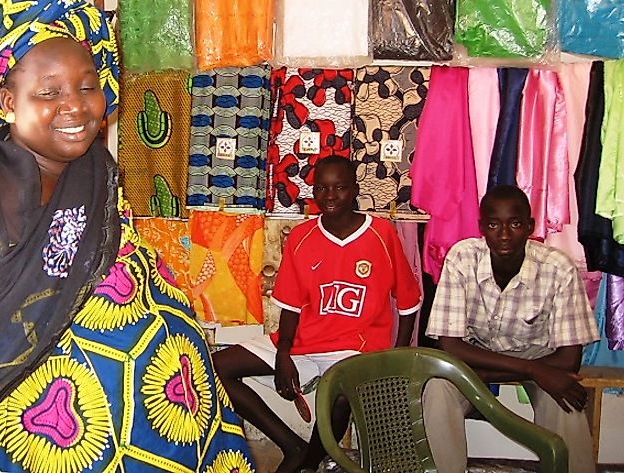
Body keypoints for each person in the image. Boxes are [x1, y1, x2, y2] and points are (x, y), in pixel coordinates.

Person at [0, 0, 255, 473]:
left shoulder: (89, 166)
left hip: (165, 406)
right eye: (49, 92)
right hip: (65, 436)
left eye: (87, 86)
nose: (76, 106)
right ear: (9, 103)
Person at [213, 155, 422, 473]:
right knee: (215, 369)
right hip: (304, 340)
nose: (330, 196)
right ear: (313, 192)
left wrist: (397, 357)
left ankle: (308, 463)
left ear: (354, 190)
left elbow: (408, 302)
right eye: (322, 188)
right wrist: (284, 352)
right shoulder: (301, 236)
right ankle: (291, 446)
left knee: (339, 396)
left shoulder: (382, 234)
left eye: (339, 187)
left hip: (358, 349)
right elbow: (291, 305)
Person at [424, 184, 599, 473]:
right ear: (481, 227)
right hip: (483, 356)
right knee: (437, 388)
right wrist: (533, 370)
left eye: (515, 224)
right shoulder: (461, 258)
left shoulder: (558, 267)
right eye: (493, 225)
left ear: (530, 226)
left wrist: (530, 369)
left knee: (566, 399)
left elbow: (569, 359)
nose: (504, 235)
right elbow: (451, 346)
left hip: (534, 356)